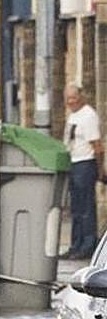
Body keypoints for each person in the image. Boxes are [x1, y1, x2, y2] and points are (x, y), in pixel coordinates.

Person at [63, 83, 103, 260]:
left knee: (86, 208)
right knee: (76, 208)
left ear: (81, 97)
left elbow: (97, 146)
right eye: (68, 98)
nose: (70, 102)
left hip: (85, 164)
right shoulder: (73, 116)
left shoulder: (88, 116)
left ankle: (88, 245)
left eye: (73, 98)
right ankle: (76, 244)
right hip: (73, 162)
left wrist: (100, 169)